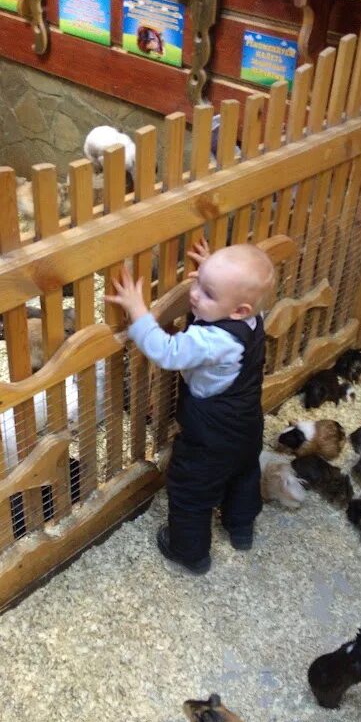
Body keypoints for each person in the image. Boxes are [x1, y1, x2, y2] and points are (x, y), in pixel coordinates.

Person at [105, 238, 275, 575]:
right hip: (247, 425)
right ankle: (241, 528)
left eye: (208, 293)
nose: (195, 294)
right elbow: (238, 294)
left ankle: (188, 551)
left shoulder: (213, 340)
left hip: (211, 436)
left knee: (189, 489)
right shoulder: (253, 318)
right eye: (199, 283)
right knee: (243, 473)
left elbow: (167, 351)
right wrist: (217, 278)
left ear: (239, 309)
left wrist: (138, 310)